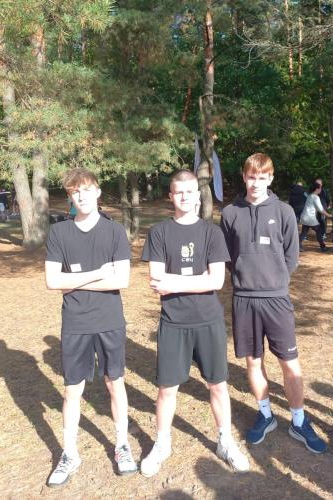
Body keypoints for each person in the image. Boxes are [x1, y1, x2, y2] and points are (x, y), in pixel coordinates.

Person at [140, 169, 249, 477]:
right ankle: (162, 444)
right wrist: (194, 280)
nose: (185, 197)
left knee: (218, 385)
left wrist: (174, 282)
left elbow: (216, 280)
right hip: (173, 321)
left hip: (208, 321)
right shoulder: (159, 232)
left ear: (198, 196)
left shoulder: (211, 233)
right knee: (167, 389)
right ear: (171, 196)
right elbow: (157, 281)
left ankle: (225, 442)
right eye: (179, 192)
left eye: (190, 192)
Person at [220, 153, 327, 454]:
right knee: (253, 361)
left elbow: (292, 256)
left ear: (270, 178)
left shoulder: (283, 211)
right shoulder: (229, 213)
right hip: (244, 299)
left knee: (289, 362)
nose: (256, 183)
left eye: (262, 177)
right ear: (244, 177)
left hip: (277, 299)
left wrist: (274, 279)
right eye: (251, 177)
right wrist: (245, 276)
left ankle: (298, 420)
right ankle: (265, 414)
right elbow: (228, 256)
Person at [45, 168, 137, 487]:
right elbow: (53, 281)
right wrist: (99, 273)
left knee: (115, 383)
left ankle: (122, 445)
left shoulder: (114, 231)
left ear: (98, 191)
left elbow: (122, 280)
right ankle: (70, 453)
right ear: (70, 197)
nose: (81, 196)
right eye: (75, 191)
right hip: (76, 323)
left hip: (109, 320)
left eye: (86, 189)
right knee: (73, 389)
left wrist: (73, 281)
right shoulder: (59, 233)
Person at [299, 183, 332, 252]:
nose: (321, 190)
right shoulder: (315, 197)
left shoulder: (310, 196)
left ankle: (298, 246)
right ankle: (323, 247)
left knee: (304, 233)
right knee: (319, 231)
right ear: (317, 189)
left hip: (304, 217)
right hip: (310, 218)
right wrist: (329, 215)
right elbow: (321, 209)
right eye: (320, 188)